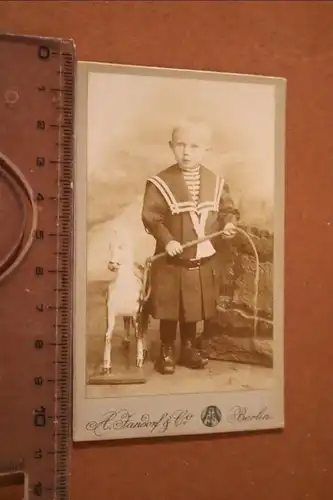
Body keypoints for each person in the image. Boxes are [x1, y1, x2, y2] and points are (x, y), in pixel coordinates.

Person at [141, 118, 240, 375]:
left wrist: (229, 225)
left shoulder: (216, 182)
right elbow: (152, 217)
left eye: (194, 146)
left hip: (200, 260)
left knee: (192, 309)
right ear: (171, 146)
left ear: (207, 149)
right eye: (180, 145)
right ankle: (166, 348)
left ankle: (187, 346)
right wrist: (167, 240)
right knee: (170, 308)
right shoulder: (160, 182)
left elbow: (228, 210)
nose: (186, 152)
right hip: (171, 261)